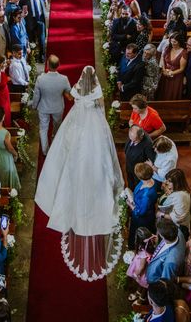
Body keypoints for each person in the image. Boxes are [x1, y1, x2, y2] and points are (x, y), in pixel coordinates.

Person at [35, 66, 125, 280]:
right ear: (93, 79)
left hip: (78, 127)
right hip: (94, 127)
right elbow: (101, 110)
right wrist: (102, 127)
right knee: (98, 158)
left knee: (73, 160)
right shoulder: (96, 92)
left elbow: (74, 105)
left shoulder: (77, 90)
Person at [0, 106, 21, 192]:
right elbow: (10, 148)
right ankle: (6, 191)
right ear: (3, 117)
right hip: (2, 156)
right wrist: (16, 154)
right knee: (6, 172)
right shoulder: (5, 133)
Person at [127, 163, 159, 249]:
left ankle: (139, 248)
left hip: (142, 219)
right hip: (145, 209)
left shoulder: (146, 195)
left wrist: (130, 205)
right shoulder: (150, 180)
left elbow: (140, 212)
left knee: (141, 234)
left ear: (140, 177)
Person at [146, 218, 186, 284]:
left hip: (155, 281)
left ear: (162, 236)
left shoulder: (170, 262)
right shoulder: (178, 232)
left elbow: (165, 282)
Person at [156, 32, 187, 100]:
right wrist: (164, 70)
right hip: (165, 74)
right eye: (171, 41)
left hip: (176, 76)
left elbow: (182, 68)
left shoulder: (183, 52)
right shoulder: (168, 48)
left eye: (174, 42)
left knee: (171, 93)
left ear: (179, 42)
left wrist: (171, 73)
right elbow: (163, 59)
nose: (172, 43)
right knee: (163, 92)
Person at [125, 125, 156, 189]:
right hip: (129, 166)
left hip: (138, 173)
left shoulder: (148, 144)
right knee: (130, 183)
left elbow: (151, 159)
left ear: (141, 137)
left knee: (137, 188)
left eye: (135, 141)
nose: (132, 142)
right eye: (130, 139)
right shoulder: (133, 135)